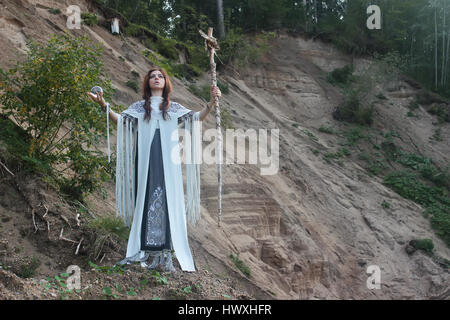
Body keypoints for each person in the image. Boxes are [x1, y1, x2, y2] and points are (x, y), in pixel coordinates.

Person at [87, 67, 221, 272]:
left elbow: (196, 117)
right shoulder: (140, 108)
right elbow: (121, 121)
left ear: (165, 82)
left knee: (167, 196)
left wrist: (212, 103)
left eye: (160, 76)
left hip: (169, 161)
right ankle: (146, 249)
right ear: (147, 83)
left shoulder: (173, 107)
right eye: (152, 76)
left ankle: (164, 251)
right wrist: (103, 104)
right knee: (146, 194)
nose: (156, 79)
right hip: (146, 159)